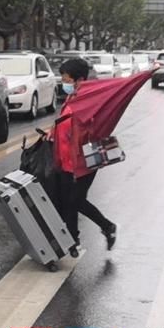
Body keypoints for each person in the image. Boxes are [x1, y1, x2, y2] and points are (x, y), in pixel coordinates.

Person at [54, 58, 117, 252]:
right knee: (68, 200)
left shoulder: (90, 101)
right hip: (65, 159)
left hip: (83, 159)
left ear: (78, 79)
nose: (63, 82)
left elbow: (88, 128)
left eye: (66, 79)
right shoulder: (71, 98)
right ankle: (74, 239)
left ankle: (100, 229)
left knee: (75, 200)